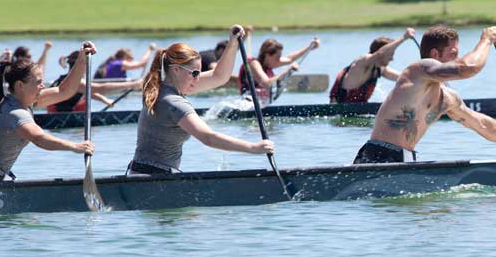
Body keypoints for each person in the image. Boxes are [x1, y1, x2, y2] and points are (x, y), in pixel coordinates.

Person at [353, 25, 496, 164]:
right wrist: (486, 40)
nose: (457, 57)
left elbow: (482, 125)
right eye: (453, 53)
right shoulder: (419, 69)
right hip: (377, 156)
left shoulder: (448, 98)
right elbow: (469, 67)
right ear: (435, 55)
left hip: (406, 160)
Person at [126, 25, 274, 175]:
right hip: (153, 179)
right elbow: (208, 138)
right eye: (195, 73)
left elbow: (219, 77)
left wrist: (232, 43)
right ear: (176, 70)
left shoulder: (159, 88)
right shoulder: (173, 102)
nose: (198, 78)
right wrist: (253, 148)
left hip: (143, 174)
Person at [0, 43, 97, 182]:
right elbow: (39, 138)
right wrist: (75, 146)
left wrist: (81, 60)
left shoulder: (24, 101)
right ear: (20, 85)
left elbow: (64, 91)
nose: (42, 86)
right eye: (38, 82)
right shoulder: (14, 112)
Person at [329, 28, 416, 104]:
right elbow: (380, 53)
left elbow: (405, 78)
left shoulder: (380, 69)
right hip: (339, 113)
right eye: (391, 54)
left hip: (358, 112)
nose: (392, 59)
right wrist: (404, 37)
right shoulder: (362, 62)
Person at [46, 50, 144, 113]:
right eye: (86, 65)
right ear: (81, 65)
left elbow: (88, 91)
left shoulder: (67, 79)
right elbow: (101, 88)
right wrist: (133, 84)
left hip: (60, 116)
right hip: (62, 120)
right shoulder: (76, 82)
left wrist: (105, 100)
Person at [238, 36, 320, 103]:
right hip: (248, 101)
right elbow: (267, 83)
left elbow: (289, 59)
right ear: (267, 55)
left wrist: (309, 47)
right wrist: (288, 70)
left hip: (261, 101)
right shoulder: (253, 64)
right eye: (277, 57)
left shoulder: (268, 63)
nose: (279, 60)